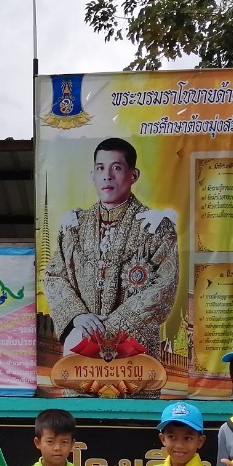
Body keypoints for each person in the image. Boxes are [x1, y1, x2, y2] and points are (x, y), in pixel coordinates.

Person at [43, 137, 178, 357]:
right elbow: (54, 276)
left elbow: (164, 285)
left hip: (134, 346)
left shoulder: (155, 227)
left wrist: (111, 326)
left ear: (133, 175)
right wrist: (78, 316)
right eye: (100, 168)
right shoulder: (74, 226)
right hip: (81, 340)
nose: (107, 175)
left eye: (116, 167)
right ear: (93, 175)